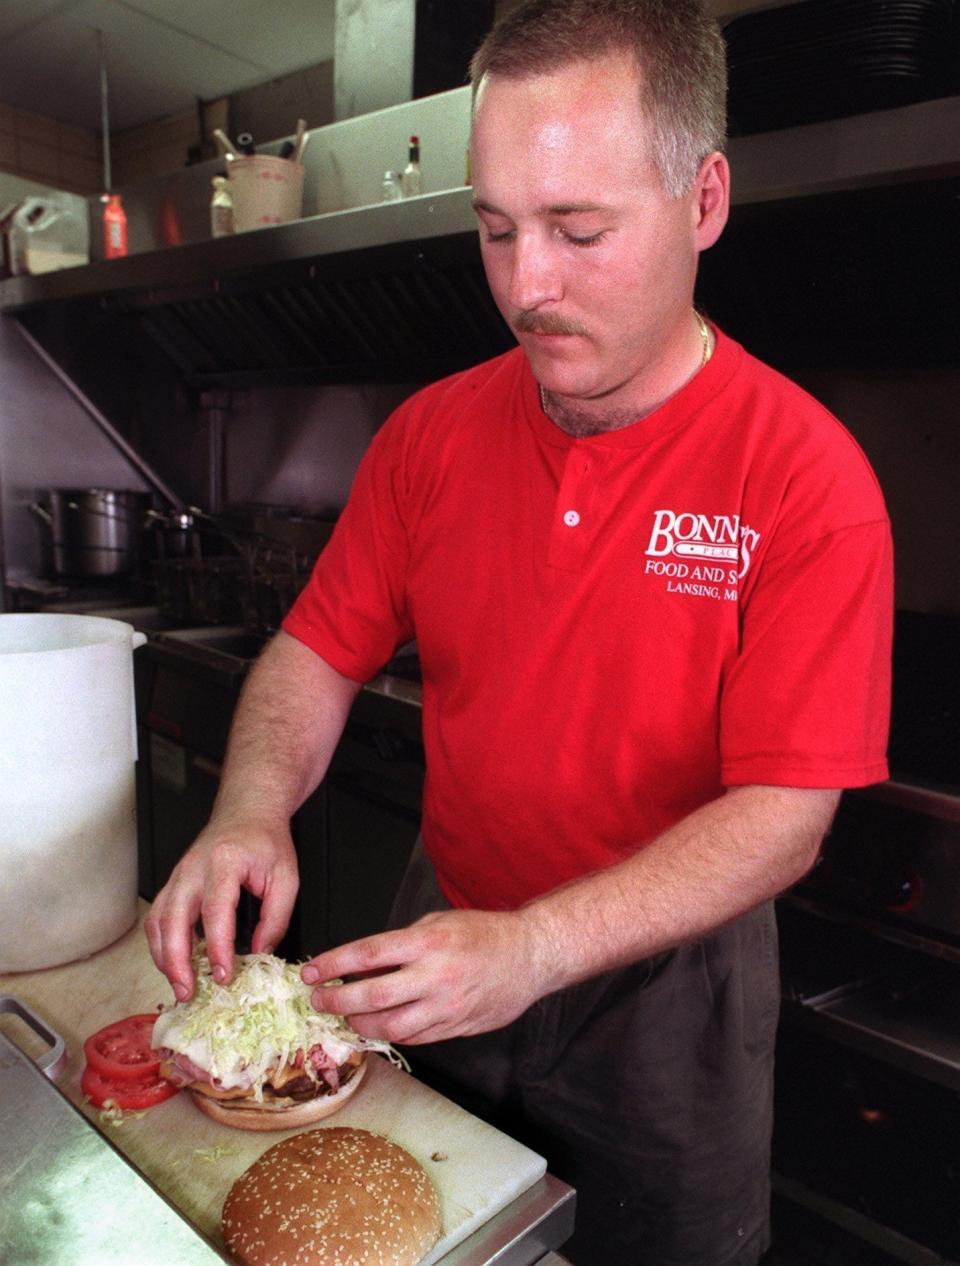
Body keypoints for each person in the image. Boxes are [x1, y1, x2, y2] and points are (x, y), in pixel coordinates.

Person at [146, 2, 893, 1262]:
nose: (523, 285)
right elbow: (319, 652)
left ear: (704, 201)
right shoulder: (431, 437)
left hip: (669, 996)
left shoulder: (807, 481)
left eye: (578, 230)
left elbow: (786, 814)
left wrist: (542, 944)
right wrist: (248, 811)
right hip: (443, 931)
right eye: (495, 229)